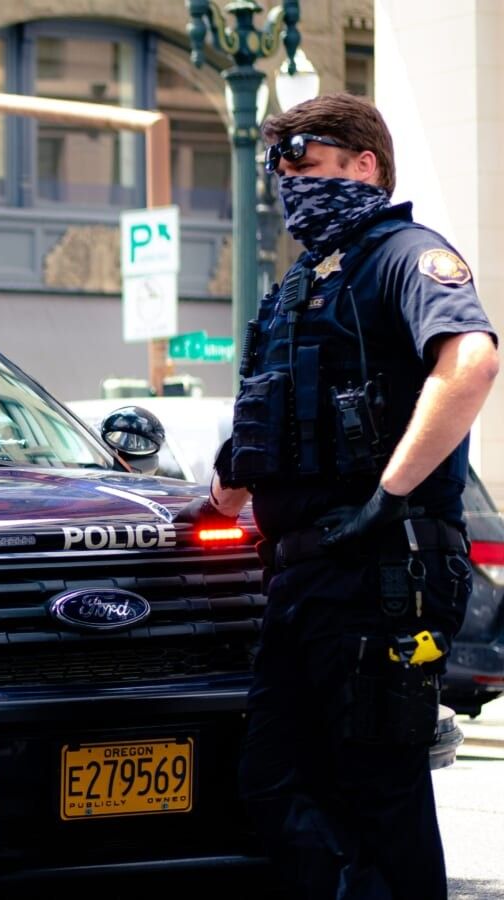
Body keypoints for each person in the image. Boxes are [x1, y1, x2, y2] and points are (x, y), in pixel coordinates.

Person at [177, 93, 498, 897]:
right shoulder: (300, 286)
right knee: (275, 781)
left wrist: (390, 495)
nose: (293, 189)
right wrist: (204, 505)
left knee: (377, 796)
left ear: (367, 166)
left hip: (375, 571)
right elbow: (269, 432)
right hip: (300, 579)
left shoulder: (407, 254)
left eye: (309, 167)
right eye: (282, 174)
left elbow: (472, 363)